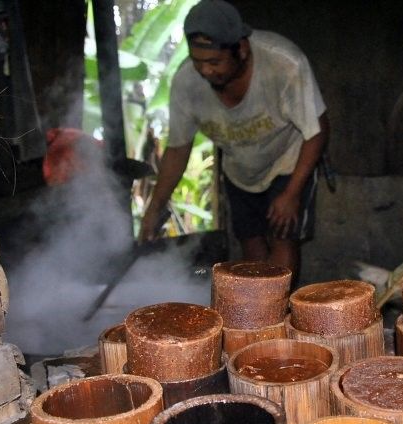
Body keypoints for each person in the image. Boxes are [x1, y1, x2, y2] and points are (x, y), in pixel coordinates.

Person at [139, 0, 329, 281]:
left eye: (214, 62)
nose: (205, 71)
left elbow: (317, 130)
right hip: (240, 169)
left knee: (282, 236)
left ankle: (276, 313)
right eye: (197, 61)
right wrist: (154, 207)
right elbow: (178, 149)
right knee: (250, 245)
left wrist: (291, 194)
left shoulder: (283, 64)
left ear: (241, 48)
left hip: (288, 160)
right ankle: (256, 314)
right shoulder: (186, 83)